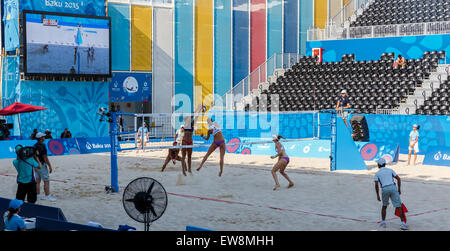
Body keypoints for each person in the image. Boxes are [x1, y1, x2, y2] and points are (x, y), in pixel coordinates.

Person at [374, 158, 409, 230]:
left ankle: (383, 222)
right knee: (399, 206)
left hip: (384, 189)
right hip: (393, 187)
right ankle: (403, 224)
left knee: (384, 206)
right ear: (385, 164)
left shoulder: (377, 173)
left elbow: (376, 185)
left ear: (378, 165)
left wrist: (377, 195)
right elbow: (398, 179)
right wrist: (399, 189)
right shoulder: (390, 170)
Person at [34, 132, 56, 201]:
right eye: (43, 137)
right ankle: (47, 196)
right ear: (40, 138)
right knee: (46, 181)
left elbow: (34, 156)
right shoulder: (42, 145)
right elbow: (45, 157)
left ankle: (38, 195)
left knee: (37, 181)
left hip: (36, 165)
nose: (44, 137)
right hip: (42, 164)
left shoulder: (35, 145)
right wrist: (49, 166)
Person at [181, 105, 203, 173]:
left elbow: (196, 117)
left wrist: (199, 110)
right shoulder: (186, 124)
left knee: (189, 156)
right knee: (183, 156)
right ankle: (184, 169)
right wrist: (197, 108)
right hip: (184, 141)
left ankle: (189, 169)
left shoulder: (192, 124)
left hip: (190, 142)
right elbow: (192, 115)